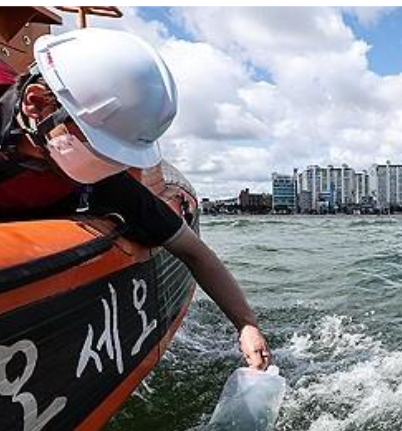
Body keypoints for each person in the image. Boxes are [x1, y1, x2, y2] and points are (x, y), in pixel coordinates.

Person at [0, 28, 272, 370]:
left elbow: (195, 252)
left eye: (117, 154)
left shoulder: (101, 181)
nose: (107, 164)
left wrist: (246, 325)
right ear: (37, 104)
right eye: (100, 147)